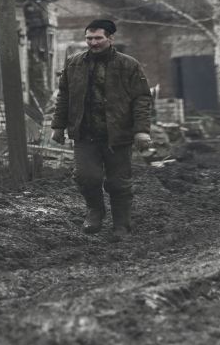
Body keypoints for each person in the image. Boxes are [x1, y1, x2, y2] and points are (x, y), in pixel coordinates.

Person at [51, 19, 153, 241]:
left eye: (98, 38)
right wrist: (58, 126)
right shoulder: (74, 64)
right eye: (89, 38)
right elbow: (64, 97)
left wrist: (141, 130)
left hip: (118, 135)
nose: (93, 43)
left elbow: (141, 99)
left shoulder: (129, 65)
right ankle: (95, 210)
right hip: (85, 133)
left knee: (119, 183)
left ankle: (121, 226)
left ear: (110, 39)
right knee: (86, 177)